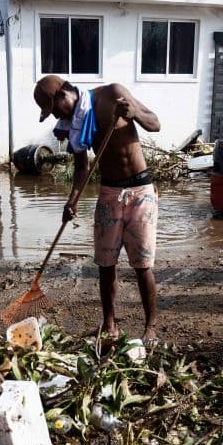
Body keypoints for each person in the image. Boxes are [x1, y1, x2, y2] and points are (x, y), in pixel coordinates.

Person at [33, 75, 161, 344]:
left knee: (142, 265)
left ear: (63, 94)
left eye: (55, 109)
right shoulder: (73, 124)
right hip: (109, 192)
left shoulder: (112, 93)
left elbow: (155, 124)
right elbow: (81, 168)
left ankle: (150, 326)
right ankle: (109, 324)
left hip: (140, 191)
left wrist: (134, 112)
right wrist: (73, 200)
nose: (57, 115)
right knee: (105, 264)